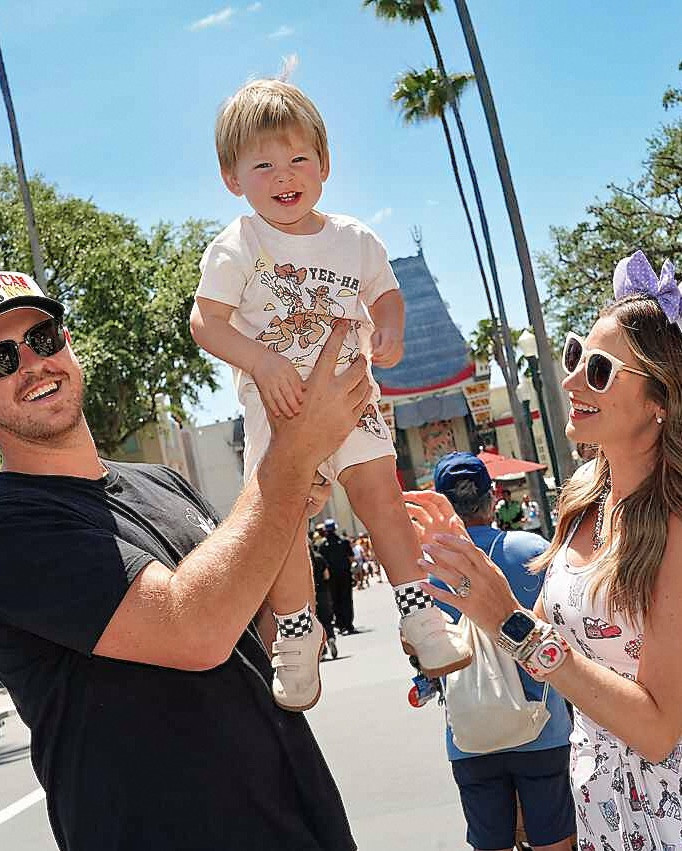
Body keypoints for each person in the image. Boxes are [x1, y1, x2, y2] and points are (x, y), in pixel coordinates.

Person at [0, 273, 365, 850]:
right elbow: (191, 628)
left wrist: (293, 498)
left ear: (68, 344)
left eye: (42, 339)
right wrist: (289, 455)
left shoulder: (162, 483)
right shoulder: (12, 525)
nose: (32, 365)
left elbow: (270, 639)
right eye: (2, 359)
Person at [190, 78, 469, 710]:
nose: (282, 175)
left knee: (382, 499)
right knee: (283, 519)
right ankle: (296, 625)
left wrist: (391, 328)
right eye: (262, 164)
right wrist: (260, 360)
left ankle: (418, 610)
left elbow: (386, 294)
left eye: (297, 159)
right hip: (281, 410)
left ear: (324, 164)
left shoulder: (354, 239)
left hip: (350, 396)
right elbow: (205, 321)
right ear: (232, 177)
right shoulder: (238, 244)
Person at [405, 249, 682, 850]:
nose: (572, 380)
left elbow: (659, 731)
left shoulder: (674, 528)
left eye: (601, 371)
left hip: (664, 810)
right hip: (595, 797)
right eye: (577, 355)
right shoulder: (583, 498)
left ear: (660, 401)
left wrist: (508, 622)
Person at [427, 451, 575, 851]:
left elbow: (424, 658)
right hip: (543, 726)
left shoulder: (427, 569)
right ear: (491, 497)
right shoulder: (534, 551)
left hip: (470, 733)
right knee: (554, 841)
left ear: (439, 505)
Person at [319, 519, 356, 635]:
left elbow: (322, 564)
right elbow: (351, 558)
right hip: (345, 575)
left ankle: (341, 625)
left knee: (335, 601)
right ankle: (349, 624)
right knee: (346, 600)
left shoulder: (322, 546)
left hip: (331, 578)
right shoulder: (344, 542)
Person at [310, 539, 337, 659]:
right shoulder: (319, 558)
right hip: (323, 594)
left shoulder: (304, 562)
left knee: (316, 622)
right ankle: (331, 638)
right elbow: (327, 575)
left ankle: (322, 649)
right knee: (327, 620)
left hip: (311, 594)